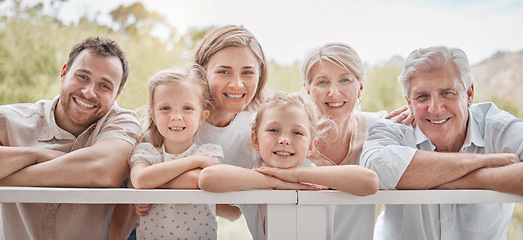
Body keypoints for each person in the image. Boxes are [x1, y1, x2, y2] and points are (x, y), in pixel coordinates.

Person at [360, 46, 523, 240]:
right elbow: (375, 168)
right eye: (422, 97)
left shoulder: (498, 127)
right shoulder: (394, 129)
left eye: (447, 93)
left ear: (469, 94)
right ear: (409, 102)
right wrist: (486, 162)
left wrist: (472, 180)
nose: (435, 109)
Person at [0, 36, 141, 239]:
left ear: (117, 96)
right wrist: (35, 154)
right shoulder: (8, 120)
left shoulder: (124, 122)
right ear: (64, 73)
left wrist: (7, 177)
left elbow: (103, 171)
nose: (88, 92)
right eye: (83, 76)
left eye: (105, 86)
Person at [199, 91, 379, 240]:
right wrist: (276, 182)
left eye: (297, 132)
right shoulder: (253, 181)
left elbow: (370, 181)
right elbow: (208, 178)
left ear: (311, 146)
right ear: (255, 140)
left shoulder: (316, 177)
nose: (284, 140)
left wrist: (295, 176)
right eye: (273, 130)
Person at [301, 42, 388, 239]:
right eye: (322, 82)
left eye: (345, 80)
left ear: (360, 87)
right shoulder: (291, 137)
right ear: (308, 88)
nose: (333, 92)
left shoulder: (379, 127)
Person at [128, 67, 224, 239]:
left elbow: (196, 181)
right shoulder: (147, 152)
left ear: (202, 116)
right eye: (165, 108)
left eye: (187, 108)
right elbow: (140, 179)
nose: (176, 117)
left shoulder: (209, 152)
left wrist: (153, 185)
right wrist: (194, 161)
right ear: (153, 117)